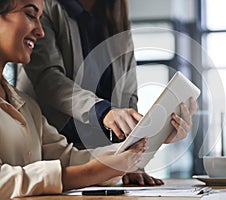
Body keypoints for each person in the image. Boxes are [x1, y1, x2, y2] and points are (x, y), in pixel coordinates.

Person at [18, 0, 198, 185]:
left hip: (100, 160)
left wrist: (137, 156)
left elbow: (129, 96)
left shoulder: (115, 18)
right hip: (54, 157)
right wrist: (102, 112)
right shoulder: (45, 8)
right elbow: (48, 80)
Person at [0, 0, 148, 198]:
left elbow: (68, 157)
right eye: (30, 14)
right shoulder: (54, 8)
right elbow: (5, 181)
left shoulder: (28, 108)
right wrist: (95, 170)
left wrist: (136, 149)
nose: (41, 31)